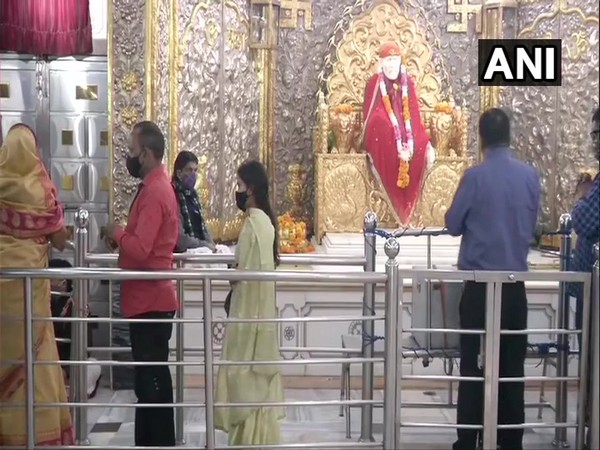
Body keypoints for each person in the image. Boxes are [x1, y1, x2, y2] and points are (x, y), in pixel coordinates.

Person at [445, 108, 540, 450]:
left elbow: (453, 223)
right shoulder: (530, 176)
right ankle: (510, 439)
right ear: (509, 137)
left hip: (479, 286)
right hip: (515, 287)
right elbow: (532, 229)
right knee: (512, 367)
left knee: (472, 364)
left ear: (480, 138)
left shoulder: (474, 177)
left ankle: (468, 440)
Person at [104, 121, 179, 447]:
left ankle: (157, 443)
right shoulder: (155, 187)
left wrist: (116, 232)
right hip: (148, 300)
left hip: (150, 300)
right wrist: (122, 239)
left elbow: (141, 249)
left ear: (147, 154)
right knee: (150, 380)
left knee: (152, 382)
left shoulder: (155, 192)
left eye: (132, 152)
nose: (129, 158)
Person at [0, 124, 74, 446]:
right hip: (31, 289)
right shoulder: (40, 188)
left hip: (4, 289)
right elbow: (58, 237)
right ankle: (38, 434)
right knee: (37, 360)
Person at [215, 160, 285, 446]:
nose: (237, 191)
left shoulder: (252, 225)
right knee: (256, 380)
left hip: (247, 316)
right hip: (261, 313)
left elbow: (240, 273)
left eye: (240, 185)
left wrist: (232, 274)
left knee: (243, 374)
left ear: (252, 188)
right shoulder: (266, 223)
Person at [362, 41, 436, 224]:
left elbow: (413, 114)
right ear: (381, 63)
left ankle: (408, 210)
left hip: (406, 129)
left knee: (420, 145)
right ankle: (393, 204)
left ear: (400, 62)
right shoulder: (374, 83)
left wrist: (408, 134)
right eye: (388, 60)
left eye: (395, 60)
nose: (391, 65)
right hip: (385, 131)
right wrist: (389, 124)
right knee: (382, 126)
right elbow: (372, 113)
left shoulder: (407, 82)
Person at [49, 258, 102, 399]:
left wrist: (66, 371)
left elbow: (85, 348)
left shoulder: (77, 306)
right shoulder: (36, 304)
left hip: (70, 366)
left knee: (92, 366)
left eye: (50, 279)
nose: (46, 284)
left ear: (64, 283)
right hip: (45, 363)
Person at [569, 107, 600, 345]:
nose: (596, 142)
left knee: (591, 358)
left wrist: (581, 195)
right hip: (590, 286)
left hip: (596, 291)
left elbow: (583, 221)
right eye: (594, 136)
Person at [171, 150, 215, 252]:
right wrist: (205, 246)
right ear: (179, 173)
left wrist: (212, 246)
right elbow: (180, 239)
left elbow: (203, 226)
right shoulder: (173, 195)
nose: (193, 174)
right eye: (189, 170)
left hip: (202, 251)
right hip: (186, 255)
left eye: (195, 170)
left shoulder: (193, 195)